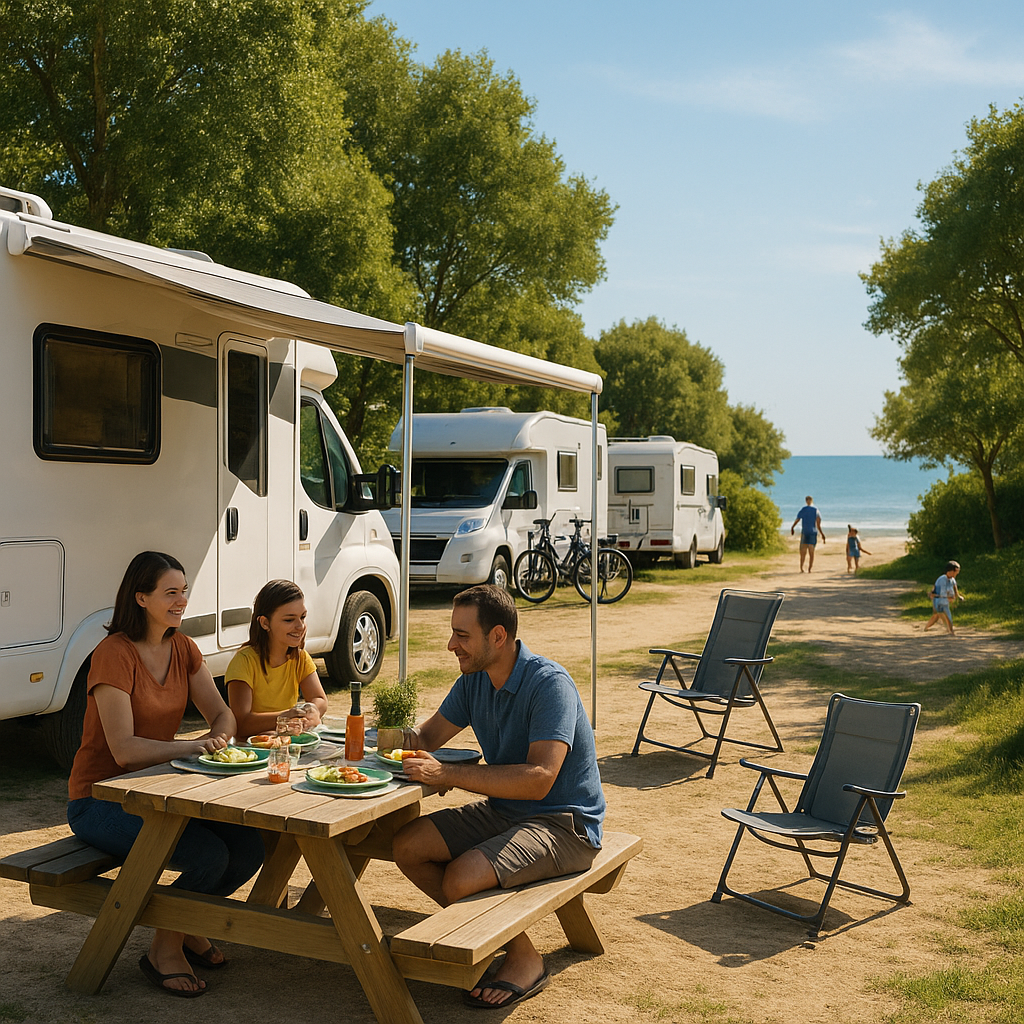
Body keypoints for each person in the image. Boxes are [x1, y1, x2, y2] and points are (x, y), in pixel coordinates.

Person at [392, 584, 605, 1010]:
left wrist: (449, 773)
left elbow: (539, 779)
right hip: (506, 813)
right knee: (407, 846)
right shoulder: (474, 682)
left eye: (462, 635)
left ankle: (524, 957)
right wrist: (362, 736)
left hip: (564, 824)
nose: (452, 645)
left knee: (460, 877)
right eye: (453, 633)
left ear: (498, 637)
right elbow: (427, 738)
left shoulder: (549, 685)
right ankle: (484, 934)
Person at [67, 552, 265, 997]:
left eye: (184, 591)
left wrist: (220, 736)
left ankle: (185, 923)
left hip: (159, 792)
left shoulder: (183, 647)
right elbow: (124, 750)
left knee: (249, 846)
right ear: (141, 598)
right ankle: (165, 948)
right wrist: (195, 746)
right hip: (99, 800)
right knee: (208, 856)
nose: (181, 600)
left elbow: (223, 713)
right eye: (169, 593)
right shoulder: (113, 654)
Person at [225, 580, 327, 740]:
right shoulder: (244, 661)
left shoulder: (300, 658)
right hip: (254, 754)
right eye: (289, 620)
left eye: (303, 617)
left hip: (289, 746)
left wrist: (313, 709)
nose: (300, 626)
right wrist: (284, 717)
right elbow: (241, 723)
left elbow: (320, 699)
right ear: (265, 623)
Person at [924, 560, 963, 634]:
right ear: (951, 571)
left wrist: (957, 596)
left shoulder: (952, 580)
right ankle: (950, 631)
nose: (956, 574)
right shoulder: (942, 579)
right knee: (946, 616)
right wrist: (949, 597)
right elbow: (942, 593)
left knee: (936, 616)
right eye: (956, 572)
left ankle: (926, 628)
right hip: (939, 601)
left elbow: (955, 589)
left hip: (944, 601)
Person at [790, 495, 826, 572]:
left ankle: (802, 568)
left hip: (805, 532)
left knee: (803, 551)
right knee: (811, 551)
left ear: (806, 501)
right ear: (811, 500)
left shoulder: (803, 509)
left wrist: (792, 527)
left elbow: (797, 519)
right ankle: (809, 568)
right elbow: (818, 524)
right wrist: (822, 534)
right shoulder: (816, 510)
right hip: (812, 532)